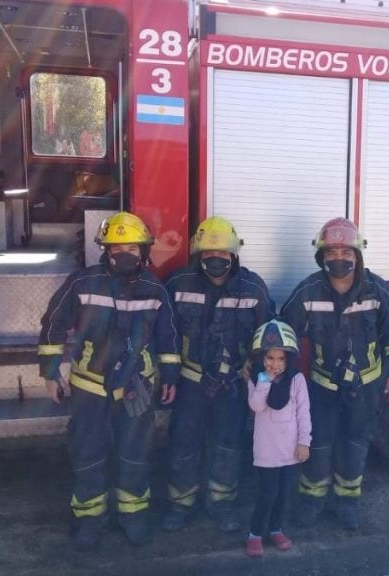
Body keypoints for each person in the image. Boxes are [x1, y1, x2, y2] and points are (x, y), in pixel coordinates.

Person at [38, 211, 180, 550]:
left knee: (135, 453)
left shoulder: (155, 288)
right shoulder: (81, 283)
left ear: (144, 251)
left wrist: (170, 375)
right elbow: (52, 326)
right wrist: (49, 372)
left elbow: (169, 337)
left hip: (137, 387)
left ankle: (133, 515)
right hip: (89, 387)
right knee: (90, 452)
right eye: (117, 247)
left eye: (132, 246)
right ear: (105, 250)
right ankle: (89, 517)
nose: (125, 253)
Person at [281, 217, 389, 530]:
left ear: (358, 256)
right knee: (318, 445)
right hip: (322, 387)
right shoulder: (308, 290)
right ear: (322, 257)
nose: (339, 259)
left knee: (354, 445)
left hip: (365, 387)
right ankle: (312, 500)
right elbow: (285, 332)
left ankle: (346, 502)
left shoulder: (377, 290)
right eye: (332, 253)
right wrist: (283, 376)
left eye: (346, 253)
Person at [162, 216, 275, 533]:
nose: (217, 259)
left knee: (229, 444)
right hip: (190, 383)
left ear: (234, 255)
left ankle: (221, 503)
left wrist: (262, 383)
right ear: (198, 254)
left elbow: (269, 338)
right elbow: (163, 334)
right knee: (184, 443)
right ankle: (180, 504)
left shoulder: (253, 288)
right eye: (210, 253)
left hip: (234, 384)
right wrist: (167, 375)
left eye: (224, 254)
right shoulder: (177, 284)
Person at [245, 319, 311, 558]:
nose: (275, 364)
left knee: (284, 494)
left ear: (289, 359)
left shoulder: (297, 380)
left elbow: (303, 413)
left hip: (290, 451)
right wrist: (264, 381)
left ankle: (276, 529)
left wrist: (304, 442)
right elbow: (256, 406)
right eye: (269, 358)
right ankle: (254, 533)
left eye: (281, 359)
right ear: (261, 358)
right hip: (267, 453)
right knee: (268, 493)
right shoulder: (257, 380)